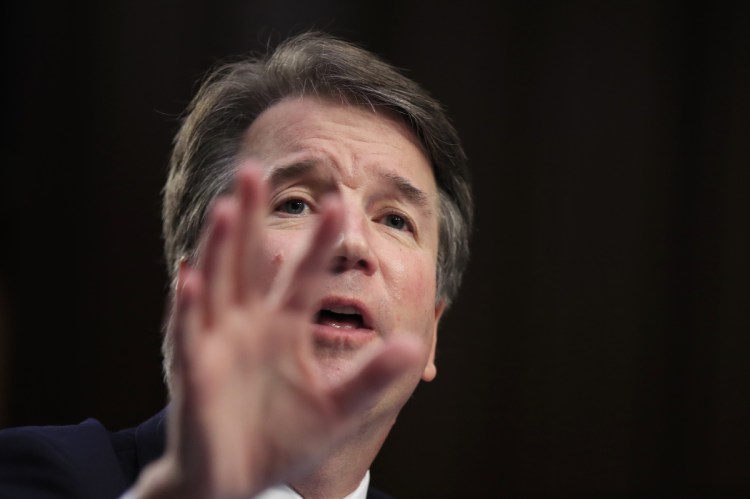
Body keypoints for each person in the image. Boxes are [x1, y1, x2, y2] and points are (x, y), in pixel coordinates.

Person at [0, 32, 473, 499]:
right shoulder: (33, 478)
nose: (351, 241)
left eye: (395, 219)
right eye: (295, 204)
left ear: (431, 334)